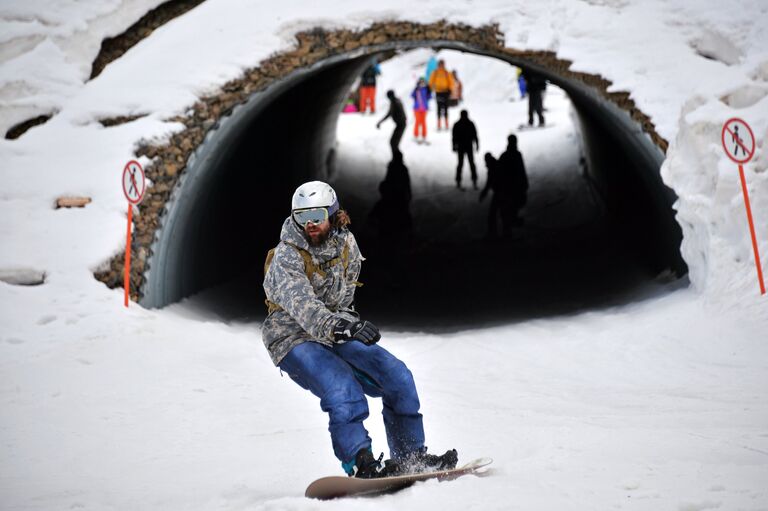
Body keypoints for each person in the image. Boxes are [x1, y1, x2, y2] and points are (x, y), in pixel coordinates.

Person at [262, 181, 458, 478]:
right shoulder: (286, 256)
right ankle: (359, 461)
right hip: (292, 336)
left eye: (316, 215)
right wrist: (340, 326)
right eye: (302, 217)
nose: (310, 224)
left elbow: (343, 302)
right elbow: (304, 308)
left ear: (332, 212)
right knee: (342, 387)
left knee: (397, 375)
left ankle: (411, 457)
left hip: (334, 331)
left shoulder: (346, 245)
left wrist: (349, 324)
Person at [497, 134, 528, 226]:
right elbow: (521, 170)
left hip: (508, 184)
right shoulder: (517, 154)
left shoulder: (504, 155)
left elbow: (500, 171)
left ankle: (511, 220)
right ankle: (511, 221)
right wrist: (524, 182)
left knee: (511, 203)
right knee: (514, 202)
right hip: (514, 184)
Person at [479, 153, 511, 238]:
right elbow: (489, 183)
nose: (485, 163)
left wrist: (483, 193)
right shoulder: (494, 166)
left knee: (495, 213)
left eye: (485, 160)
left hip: (501, 192)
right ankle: (504, 233)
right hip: (501, 192)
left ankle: (495, 233)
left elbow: (489, 183)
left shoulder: (494, 167)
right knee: (501, 213)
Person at [451, 110, 479, 190]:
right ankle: (473, 181)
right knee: (470, 164)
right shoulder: (470, 124)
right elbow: (475, 135)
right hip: (468, 146)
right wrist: (477, 144)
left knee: (461, 164)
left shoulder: (457, 124)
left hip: (461, 146)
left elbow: (454, 137)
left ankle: (459, 181)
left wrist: (454, 146)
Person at [377, 90, 407, 158]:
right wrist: (380, 122)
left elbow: (396, 114)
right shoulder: (394, 102)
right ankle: (396, 158)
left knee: (393, 143)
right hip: (399, 124)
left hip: (401, 125)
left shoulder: (396, 103)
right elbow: (389, 113)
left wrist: (400, 120)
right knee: (393, 143)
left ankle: (398, 159)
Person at [428, 60, 454, 131]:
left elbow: (451, 81)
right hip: (438, 92)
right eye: (440, 64)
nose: (441, 66)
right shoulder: (435, 72)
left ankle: (446, 124)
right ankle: (439, 125)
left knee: (445, 108)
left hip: (446, 92)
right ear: (438, 65)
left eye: (442, 64)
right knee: (439, 108)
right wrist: (430, 88)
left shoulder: (446, 72)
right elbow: (431, 81)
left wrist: (450, 89)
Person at [410, 77, 431, 144]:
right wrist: (416, 89)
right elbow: (412, 95)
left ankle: (424, 135)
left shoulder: (426, 89)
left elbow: (429, 97)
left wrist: (428, 90)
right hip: (417, 108)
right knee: (417, 122)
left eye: (423, 82)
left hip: (424, 109)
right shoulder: (416, 89)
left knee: (423, 122)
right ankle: (416, 135)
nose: (422, 83)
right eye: (421, 82)